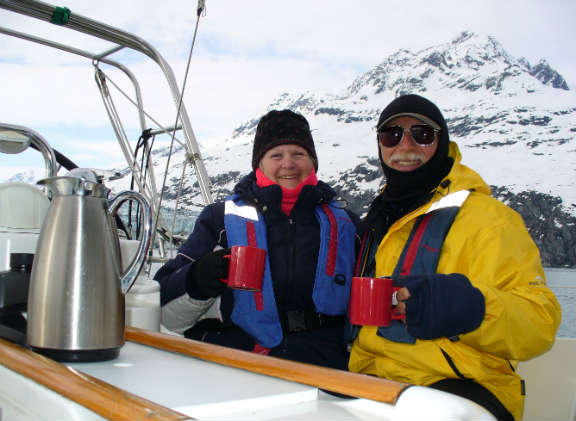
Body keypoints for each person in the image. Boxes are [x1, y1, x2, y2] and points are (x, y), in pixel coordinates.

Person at [348, 94, 561, 420]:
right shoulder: (377, 220)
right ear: (380, 145)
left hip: (461, 388)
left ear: (442, 141)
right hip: (373, 383)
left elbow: (540, 323)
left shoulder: (490, 219)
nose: (405, 146)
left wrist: (464, 306)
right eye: (392, 135)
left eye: (422, 134)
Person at [155, 109, 359, 370]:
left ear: (312, 161)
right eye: (276, 155)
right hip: (236, 361)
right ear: (259, 164)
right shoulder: (219, 220)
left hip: (326, 363)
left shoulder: (347, 225)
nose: (288, 164)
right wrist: (196, 279)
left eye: (298, 153)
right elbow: (161, 305)